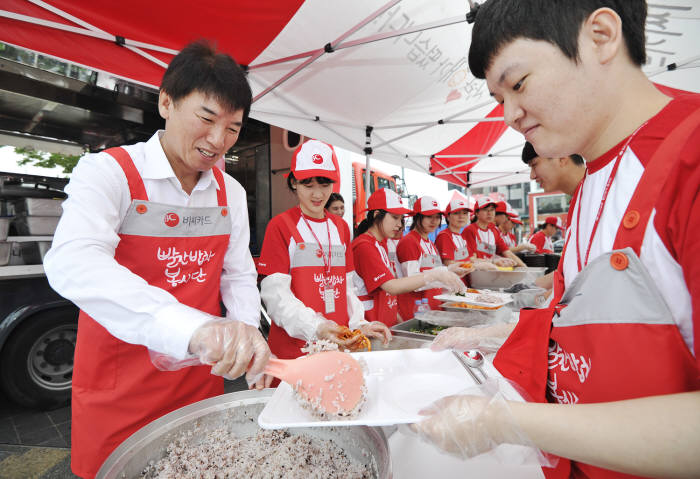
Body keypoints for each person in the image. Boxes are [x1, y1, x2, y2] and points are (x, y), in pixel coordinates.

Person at [415, 2, 700, 478]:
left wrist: (508, 421)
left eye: (519, 84)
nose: (509, 115)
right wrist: (490, 335)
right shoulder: (593, 180)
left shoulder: (688, 160)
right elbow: (577, 331)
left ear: (602, 36)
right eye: (497, 98)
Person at [42, 41, 271, 478]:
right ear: (166, 101)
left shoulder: (232, 193)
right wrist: (192, 327)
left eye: (233, 129)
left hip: (199, 386)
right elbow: (73, 260)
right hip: (120, 389)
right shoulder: (110, 172)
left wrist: (245, 337)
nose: (217, 141)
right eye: (206, 119)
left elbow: (238, 273)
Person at [257, 139, 390, 360]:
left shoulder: (341, 227)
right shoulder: (280, 226)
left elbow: (347, 288)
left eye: (325, 185)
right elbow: (275, 297)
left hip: (338, 345)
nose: (317, 195)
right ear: (293, 183)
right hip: (296, 350)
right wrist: (317, 327)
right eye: (308, 186)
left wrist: (359, 324)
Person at [352, 189, 466, 326]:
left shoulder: (382, 244)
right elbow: (392, 286)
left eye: (401, 219)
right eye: (395, 217)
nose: (399, 225)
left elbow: (390, 291)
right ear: (377, 215)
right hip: (373, 324)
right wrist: (434, 275)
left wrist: (398, 322)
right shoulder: (365, 246)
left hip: (387, 321)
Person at [396, 196, 468, 319]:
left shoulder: (429, 242)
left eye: (437, 217)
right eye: (429, 216)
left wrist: (450, 270)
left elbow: (435, 271)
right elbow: (412, 281)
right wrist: (442, 274)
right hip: (414, 311)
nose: (434, 221)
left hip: (431, 308)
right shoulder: (409, 242)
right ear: (417, 217)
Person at [461, 197, 527, 268]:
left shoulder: (494, 231)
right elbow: (471, 260)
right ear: (477, 213)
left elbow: (508, 253)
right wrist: (493, 261)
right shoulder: (470, 230)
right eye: (485, 210)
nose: (489, 213)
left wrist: (524, 267)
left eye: (492, 210)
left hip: (492, 273)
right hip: (476, 274)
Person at [434, 197, 472, 266]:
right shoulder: (444, 236)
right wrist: (470, 264)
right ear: (448, 217)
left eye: (465, 213)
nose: (461, 216)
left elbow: (472, 257)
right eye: (456, 213)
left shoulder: (461, 237)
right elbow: (449, 264)